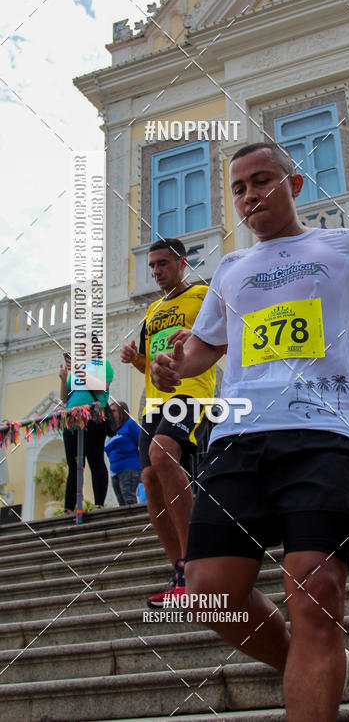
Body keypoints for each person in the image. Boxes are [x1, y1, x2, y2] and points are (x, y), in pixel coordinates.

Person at [151, 142, 349, 722]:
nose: (250, 194)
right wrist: (174, 366)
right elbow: (202, 350)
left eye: (262, 180)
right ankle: (315, 663)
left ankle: (316, 659)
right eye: (239, 188)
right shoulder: (229, 268)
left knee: (317, 597)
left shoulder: (344, 246)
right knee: (209, 591)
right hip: (237, 440)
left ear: (294, 186)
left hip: (323, 437)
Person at [120, 237, 216, 607]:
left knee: (162, 456)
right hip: (154, 404)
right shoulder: (152, 312)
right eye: (153, 267)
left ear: (182, 262)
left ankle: (198, 566)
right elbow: (150, 365)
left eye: (163, 264)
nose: (157, 271)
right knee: (148, 477)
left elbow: (220, 338)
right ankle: (180, 569)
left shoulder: (204, 295)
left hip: (191, 392)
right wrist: (135, 359)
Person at [58, 350, 113, 513]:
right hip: (72, 418)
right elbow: (65, 398)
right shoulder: (78, 369)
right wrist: (63, 379)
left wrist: (78, 370)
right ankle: (69, 507)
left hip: (93, 416)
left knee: (95, 459)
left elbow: (102, 388)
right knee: (73, 464)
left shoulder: (102, 365)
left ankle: (99, 504)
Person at [104, 400, 141, 506]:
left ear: (122, 412)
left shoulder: (130, 425)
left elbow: (142, 442)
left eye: (114, 411)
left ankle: (134, 521)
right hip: (115, 472)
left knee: (129, 499)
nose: (111, 414)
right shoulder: (113, 432)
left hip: (129, 468)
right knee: (122, 503)